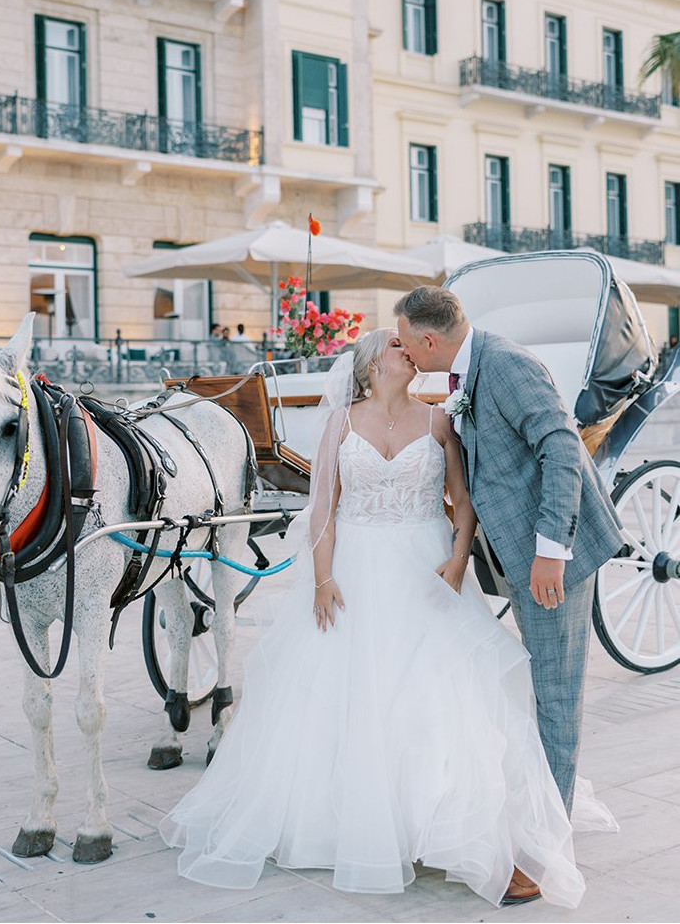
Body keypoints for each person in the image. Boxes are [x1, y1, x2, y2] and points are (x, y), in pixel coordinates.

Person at [160, 329, 586, 908]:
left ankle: (442, 827)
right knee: (349, 694)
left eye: (408, 343)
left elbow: (461, 503)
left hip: (427, 572)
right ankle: (360, 823)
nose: (406, 350)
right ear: (368, 366)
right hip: (354, 571)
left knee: (438, 696)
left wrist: (460, 560)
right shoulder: (341, 423)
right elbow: (323, 509)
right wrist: (323, 578)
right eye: (394, 345)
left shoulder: (439, 423)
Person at [395, 288, 622, 861]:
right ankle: (541, 816)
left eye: (405, 342)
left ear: (429, 339)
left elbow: (561, 449)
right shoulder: (467, 372)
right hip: (520, 553)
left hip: (552, 555)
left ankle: (547, 847)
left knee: (554, 692)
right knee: (540, 686)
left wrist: (552, 551)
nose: (404, 352)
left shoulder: (506, 364)